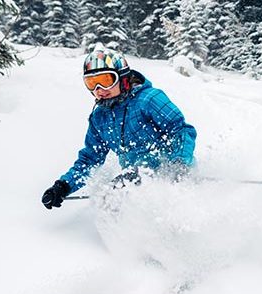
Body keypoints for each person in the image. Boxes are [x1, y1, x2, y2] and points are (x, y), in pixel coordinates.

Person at [42, 45, 197, 210]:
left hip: (172, 172)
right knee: (109, 199)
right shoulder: (99, 118)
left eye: (106, 81)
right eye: (92, 83)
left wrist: (178, 165)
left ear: (123, 78)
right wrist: (63, 186)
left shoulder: (149, 99)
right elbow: (90, 159)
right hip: (135, 178)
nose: (99, 90)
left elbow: (181, 130)